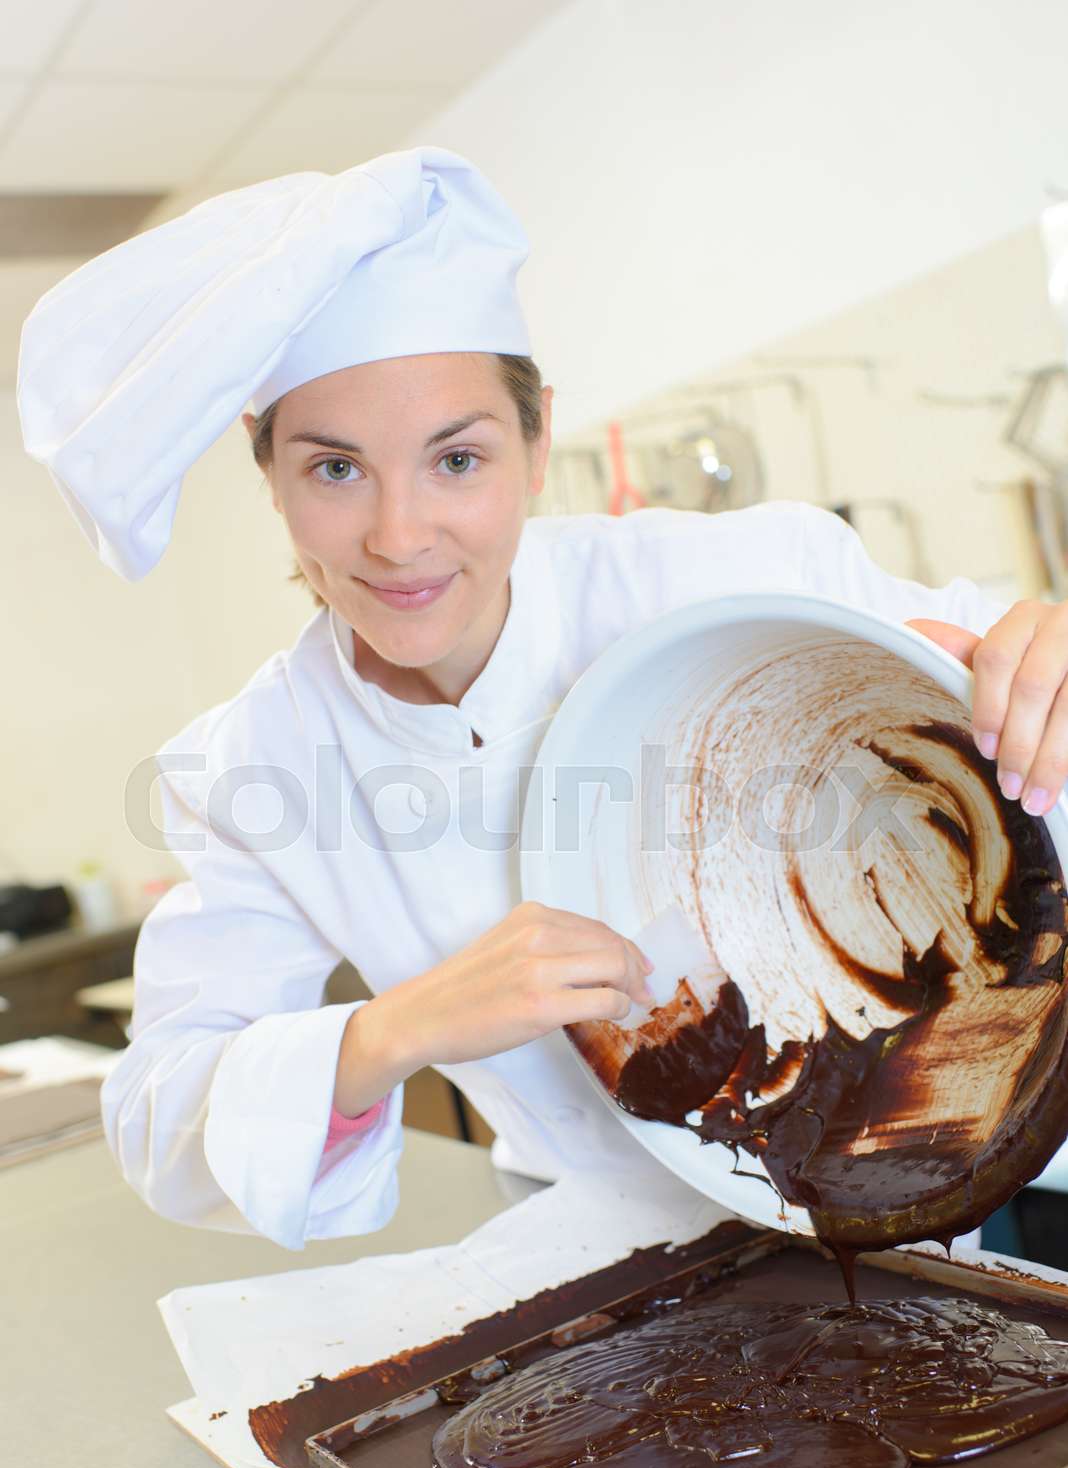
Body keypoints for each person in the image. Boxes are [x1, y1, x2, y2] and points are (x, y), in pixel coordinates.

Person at [18, 149, 1068, 1250]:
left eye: (456, 459)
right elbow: (159, 1123)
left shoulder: (747, 580)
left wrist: (1042, 671)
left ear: (535, 440)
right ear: (270, 474)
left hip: (924, 1188)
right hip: (607, 1253)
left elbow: (1017, 725)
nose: (399, 532)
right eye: (335, 470)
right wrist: (396, 1027)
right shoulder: (253, 769)